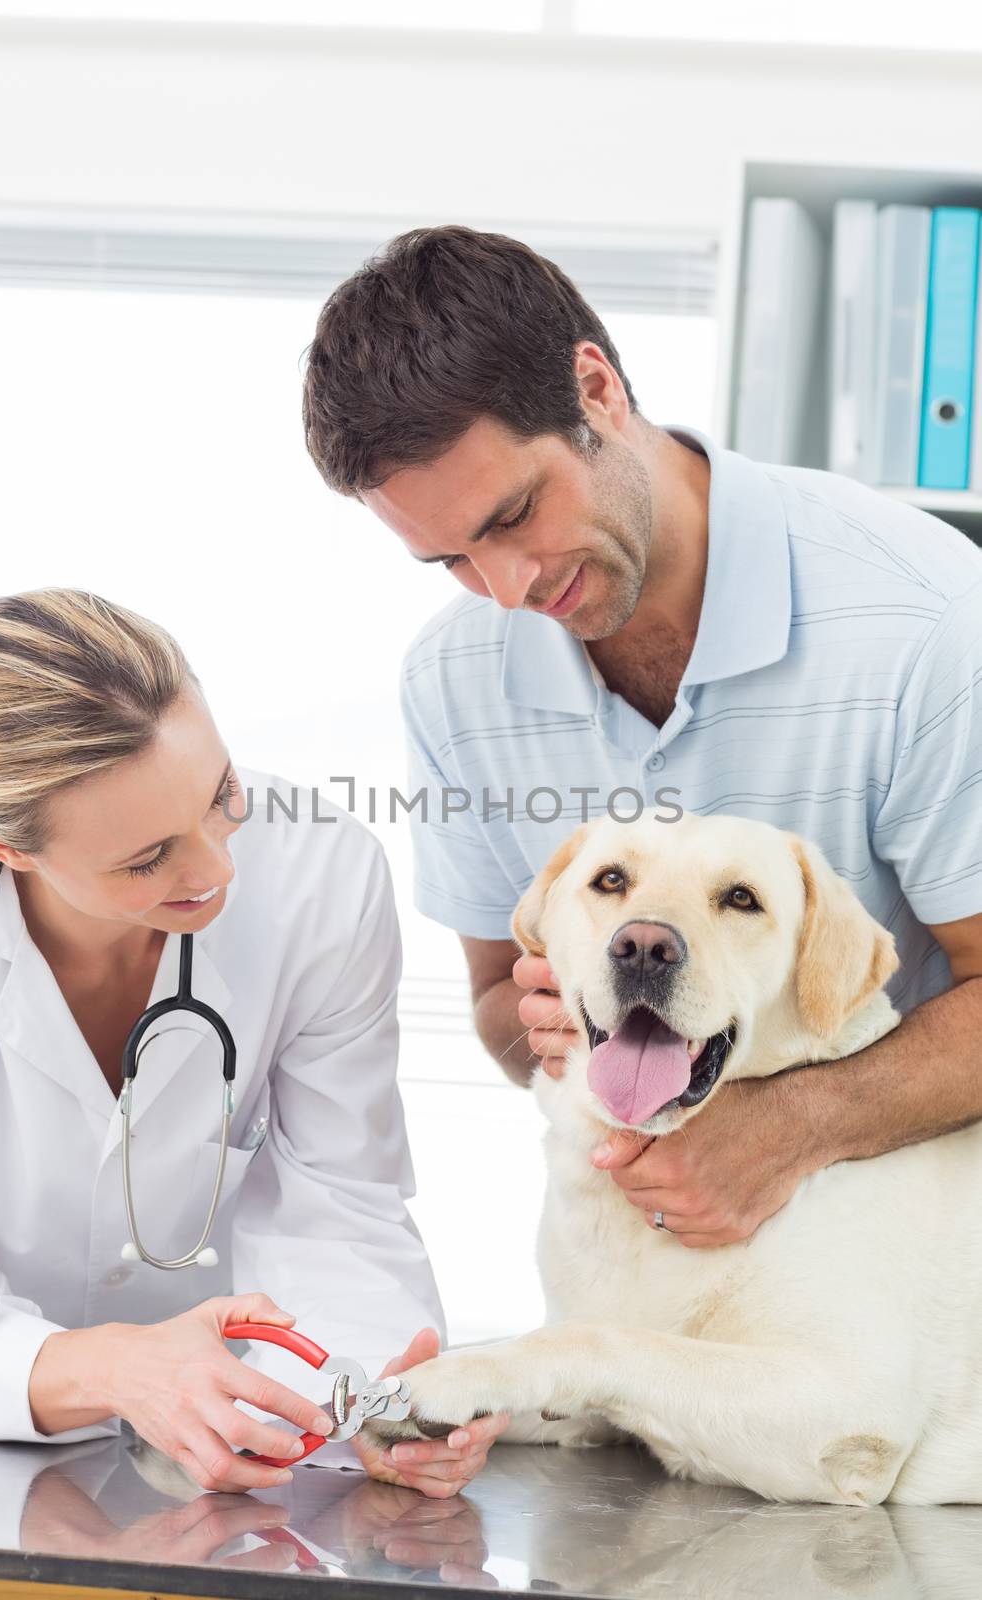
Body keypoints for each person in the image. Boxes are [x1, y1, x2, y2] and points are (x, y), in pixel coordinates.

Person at [303, 224, 982, 1250]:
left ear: (595, 390)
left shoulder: (925, 624)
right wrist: (542, 1016)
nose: (507, 588)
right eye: (448, 559)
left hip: (911, 1246)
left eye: (515, 512)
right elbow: (499, 995)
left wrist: (795, 1126)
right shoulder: (452, 682)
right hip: (649, 1268)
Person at [0, 588, 506, 1495]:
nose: (216, 867)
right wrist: (110, 1369)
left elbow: (340, 1201)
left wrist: (364, 1397)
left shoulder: (319, 875)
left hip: (215, 1468)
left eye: (220, 793)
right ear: (6, 847)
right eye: (146, 860)